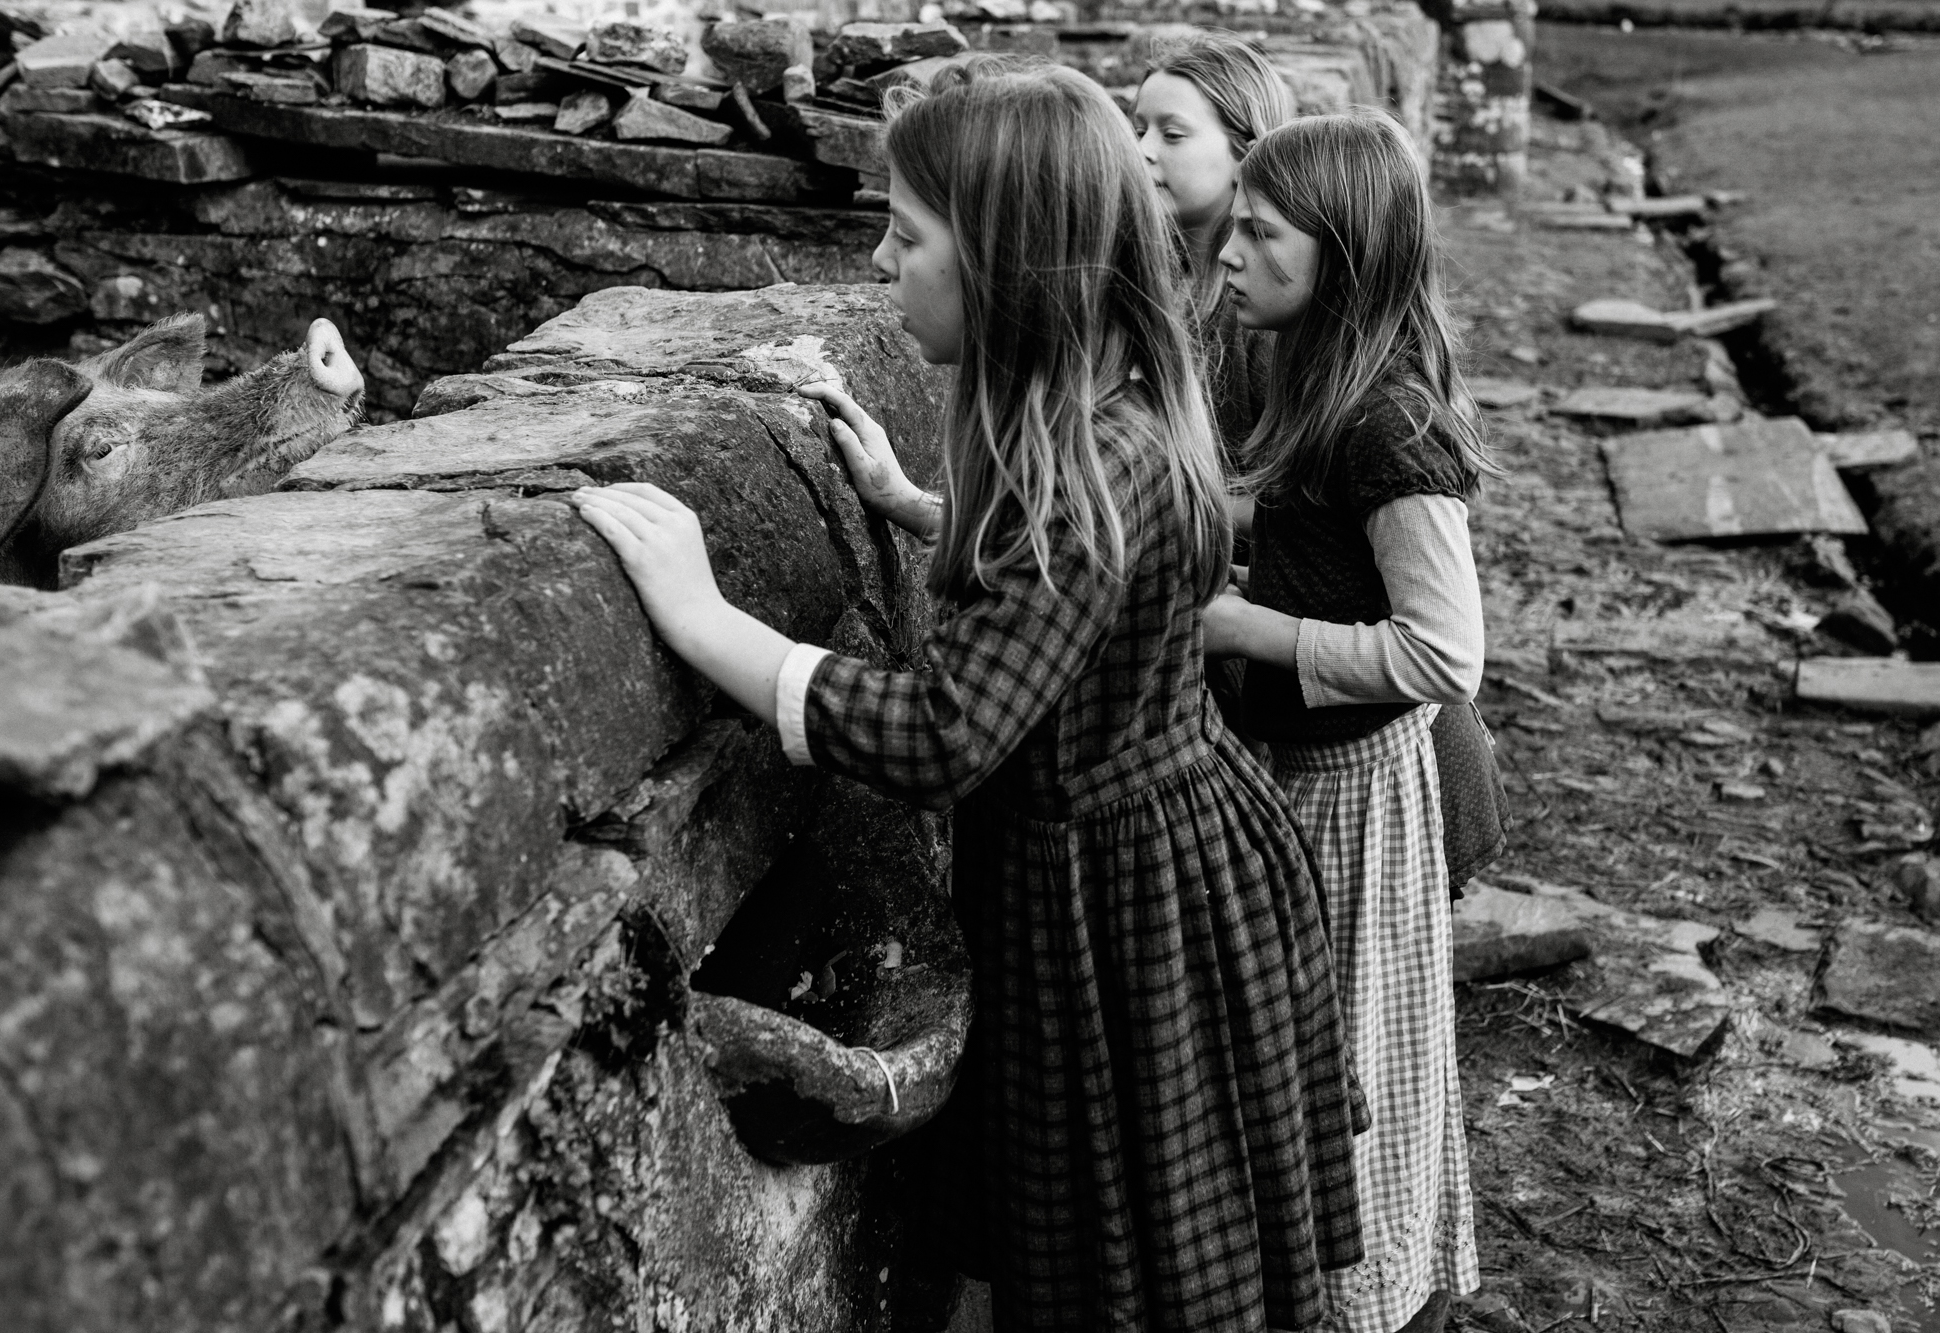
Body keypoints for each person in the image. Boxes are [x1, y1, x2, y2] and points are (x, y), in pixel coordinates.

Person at [574, 59, 1366, 1333]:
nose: (880, 260)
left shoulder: (1077, 479)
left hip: (1120, 905)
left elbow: (946, 732)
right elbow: (1070, 601)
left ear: (1003, 263)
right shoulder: (1113, 412)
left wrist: (704, 618)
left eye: (904, 233)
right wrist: (916, 505)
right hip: (1167, 845)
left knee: (1131, 1267)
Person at [1201, 108, 1501, 1333]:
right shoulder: (1308, 381)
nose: (1226, 254)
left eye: (1258, 233)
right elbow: (1297, 541)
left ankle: (1367, 1303)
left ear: (1340, 253)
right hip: (1302, 779)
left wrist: (1245, 632)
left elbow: (1443, 651)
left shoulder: (1388, 426)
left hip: (1358, 800)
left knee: (1351, 1072)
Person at [1131, 30, 1293, 461]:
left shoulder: (1270, 313)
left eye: (1173, 134)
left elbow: (1305, 510)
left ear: (1246, 152)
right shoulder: (1137, 279)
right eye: (1139, 129)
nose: (1141, 150)